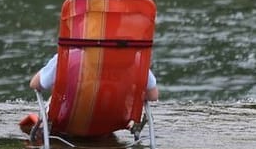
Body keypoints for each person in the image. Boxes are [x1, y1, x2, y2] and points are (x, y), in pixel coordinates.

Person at [19, 54, 158, 135]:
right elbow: (152, 96)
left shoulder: (66, 57)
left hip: (66, 123)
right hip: (115, 123)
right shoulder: (136, 60)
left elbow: (35, 85)